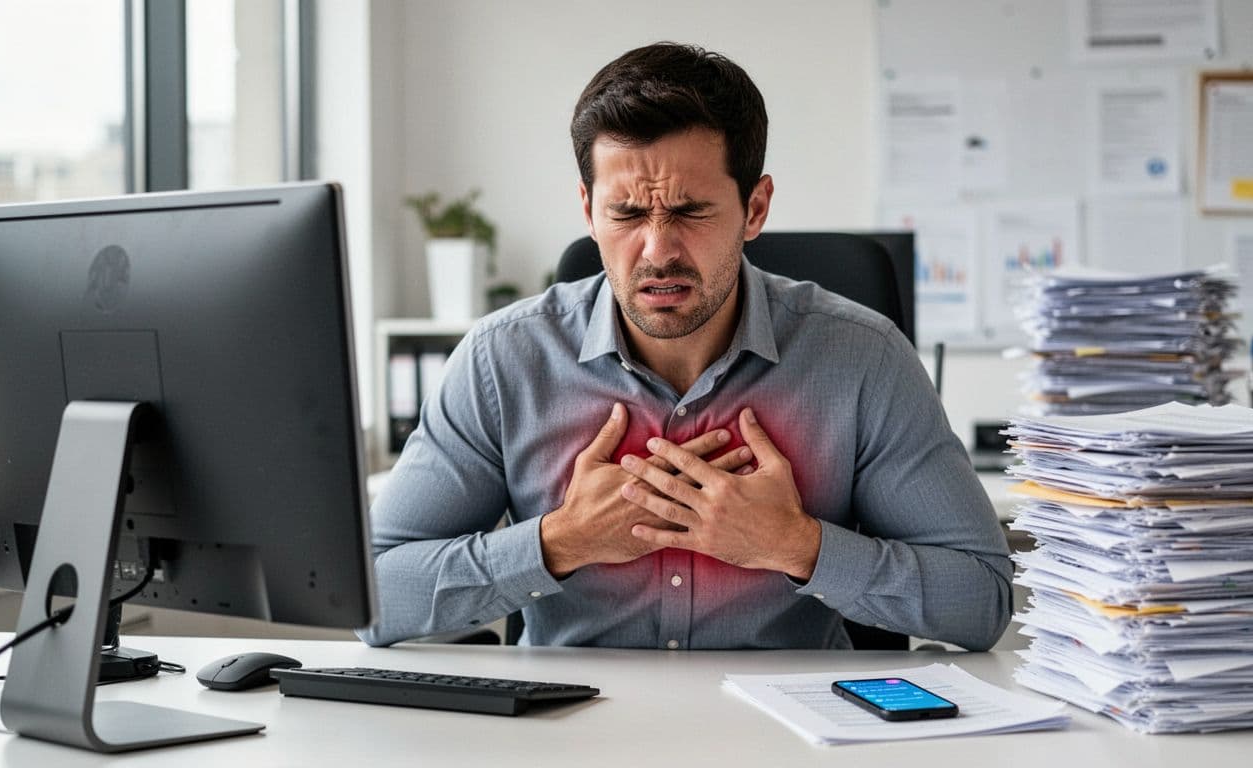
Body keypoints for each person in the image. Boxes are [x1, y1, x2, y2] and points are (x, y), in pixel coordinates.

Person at [359, 42, 1011, 651]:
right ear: (588, 210)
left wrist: (795, 545)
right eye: (628, 214)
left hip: (788, 733)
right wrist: (561, 541)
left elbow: (982, 600)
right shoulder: (504, 361)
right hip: (566, 734)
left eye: (690, 212)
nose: (658, 250)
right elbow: (372, 600)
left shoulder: (862, 359)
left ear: (755, 208)